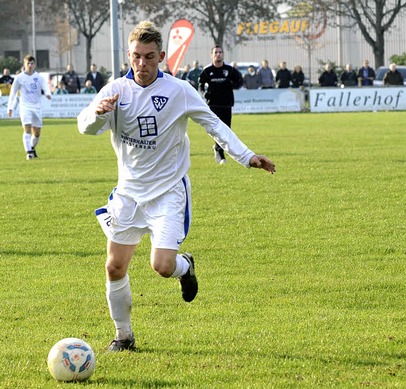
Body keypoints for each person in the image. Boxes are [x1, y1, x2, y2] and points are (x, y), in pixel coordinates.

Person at [77, 21, 275, 352]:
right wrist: (97, 113)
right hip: (129, 194)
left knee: (162, 266)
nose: (142, 64)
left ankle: (185, 266)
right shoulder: (115, 91)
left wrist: (247, 156)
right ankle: (123, 337)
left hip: (168, 192)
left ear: (162, 56)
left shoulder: (179, 90)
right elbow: (86, 127)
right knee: (114, 266)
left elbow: (212, 123)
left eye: (149, 57)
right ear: (129, 55)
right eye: (136, 57)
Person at [199, 45, 244, 164]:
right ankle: (220, 153)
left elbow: (240, 81)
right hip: (213, 104)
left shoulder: (229, 69)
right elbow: (201, 84)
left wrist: (232, 85)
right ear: (212, 55)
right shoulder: (207, 70)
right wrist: (204, 93)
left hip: (226, 104)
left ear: (223, 54)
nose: (218, 54)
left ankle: (220, 149)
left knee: (226, 130)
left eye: (220, 52)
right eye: (216, 52)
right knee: (216, 129)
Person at [7, 55, 52, 160]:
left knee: (37, 133)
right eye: (28, 63)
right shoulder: (19, 78)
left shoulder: (39, 77)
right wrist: (10, 108)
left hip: (37, 106)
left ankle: (31, 148)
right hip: (25, 106)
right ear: (24, 65)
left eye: (32, 63)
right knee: (27, 129)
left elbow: (45, 86)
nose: (30, 65)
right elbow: (13, 93)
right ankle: (29, 153)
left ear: (34, 64)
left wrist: (47, 93)